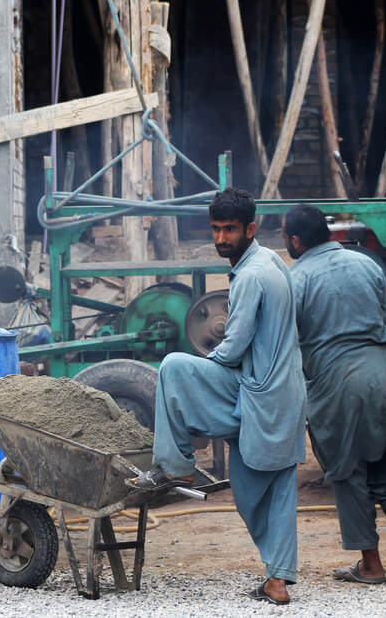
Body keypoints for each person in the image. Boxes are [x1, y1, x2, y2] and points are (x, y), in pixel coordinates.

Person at [130, 188, 306, 605]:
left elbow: (232, 347)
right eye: (216, 229)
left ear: (250, 228)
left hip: (258, 394)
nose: (222, 238)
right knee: (270, 490)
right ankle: (277, 582)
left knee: (173, 367)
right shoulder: (273, 263)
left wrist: (199, 374)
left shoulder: (249, 276)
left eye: (230, 229)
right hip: (286, 396)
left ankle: (177, 467)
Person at [283, 205, 386, 585]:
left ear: (297, 241)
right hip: (381, 374)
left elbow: (285, 345)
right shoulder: (367, 265)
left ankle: (371, 564)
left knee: (347, 470)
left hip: (335, 383)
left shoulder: (296, 280)